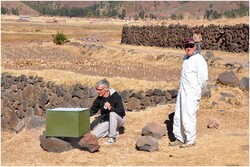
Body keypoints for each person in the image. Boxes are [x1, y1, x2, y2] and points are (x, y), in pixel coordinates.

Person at [169, 38, 208, 148]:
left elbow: (203, 78)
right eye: (187, 46)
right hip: (183, 91)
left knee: (189, 115)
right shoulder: (185, 58)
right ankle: (180, 138)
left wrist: (199, 91)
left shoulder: (199, 60)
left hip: (192, 92)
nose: (188, 48)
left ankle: (190, 140)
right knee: (179, 115)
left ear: (195, 47)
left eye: (191, 46)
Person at [90, 79, 126, 144]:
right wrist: (81, 116)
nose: (98, 92)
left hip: (119, 119)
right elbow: (92, 111)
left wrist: (111, 108)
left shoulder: (115, 96)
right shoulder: (99, 99)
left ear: (106, 89)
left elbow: (122, 112)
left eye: (100, 90)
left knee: (112, 113)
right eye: (97, 89)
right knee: (94, 135)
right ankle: (113, 130)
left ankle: (112, 137)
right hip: (107, 121)